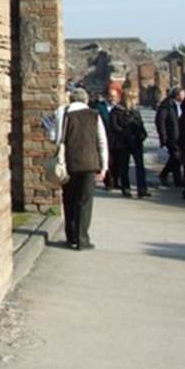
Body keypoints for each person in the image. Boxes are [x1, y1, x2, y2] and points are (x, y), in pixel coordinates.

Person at [56, 87, 108, 250]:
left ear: (71, 99)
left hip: (69, 162)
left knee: (69, 199)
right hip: (89, 163)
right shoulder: (94, 115)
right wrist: (104, 166)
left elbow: (57, 138)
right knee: (85, 202)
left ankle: (70, 236)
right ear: (86, 100)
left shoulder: (63, 114)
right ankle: (82, 239)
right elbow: (102, 142)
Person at [110, 89, 150, 197]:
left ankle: (142, 188)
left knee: (140, 166)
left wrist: (142, 134)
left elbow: (140, 124)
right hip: (123, 142)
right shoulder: (116, 110)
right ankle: (125, 188)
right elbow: (114, 126)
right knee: (124, 166)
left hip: (136, 141)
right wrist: (125, 133)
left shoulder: (135, 110)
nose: (136, 101)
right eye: (134, 98)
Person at [155, 87, 185, 187]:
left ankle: (164, 174)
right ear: (177, 95)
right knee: (176, 157)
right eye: (182, 94)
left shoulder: (180, 105)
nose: (184, 96)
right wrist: (163, 138)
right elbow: (161, 122)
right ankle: (177, 180)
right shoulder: (166, 105)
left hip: (180, 136)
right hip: (171, 136)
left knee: (176, 157)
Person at [92, 85, 120, 188]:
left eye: (114, 96)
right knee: (108, 160)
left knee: (117, 160)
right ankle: (109, 181)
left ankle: (116, 180)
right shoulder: (100, 107)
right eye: (110, 96)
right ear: (106, 96)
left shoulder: (119, 107)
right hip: (105, 136)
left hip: (117, 138)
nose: (112, 98)